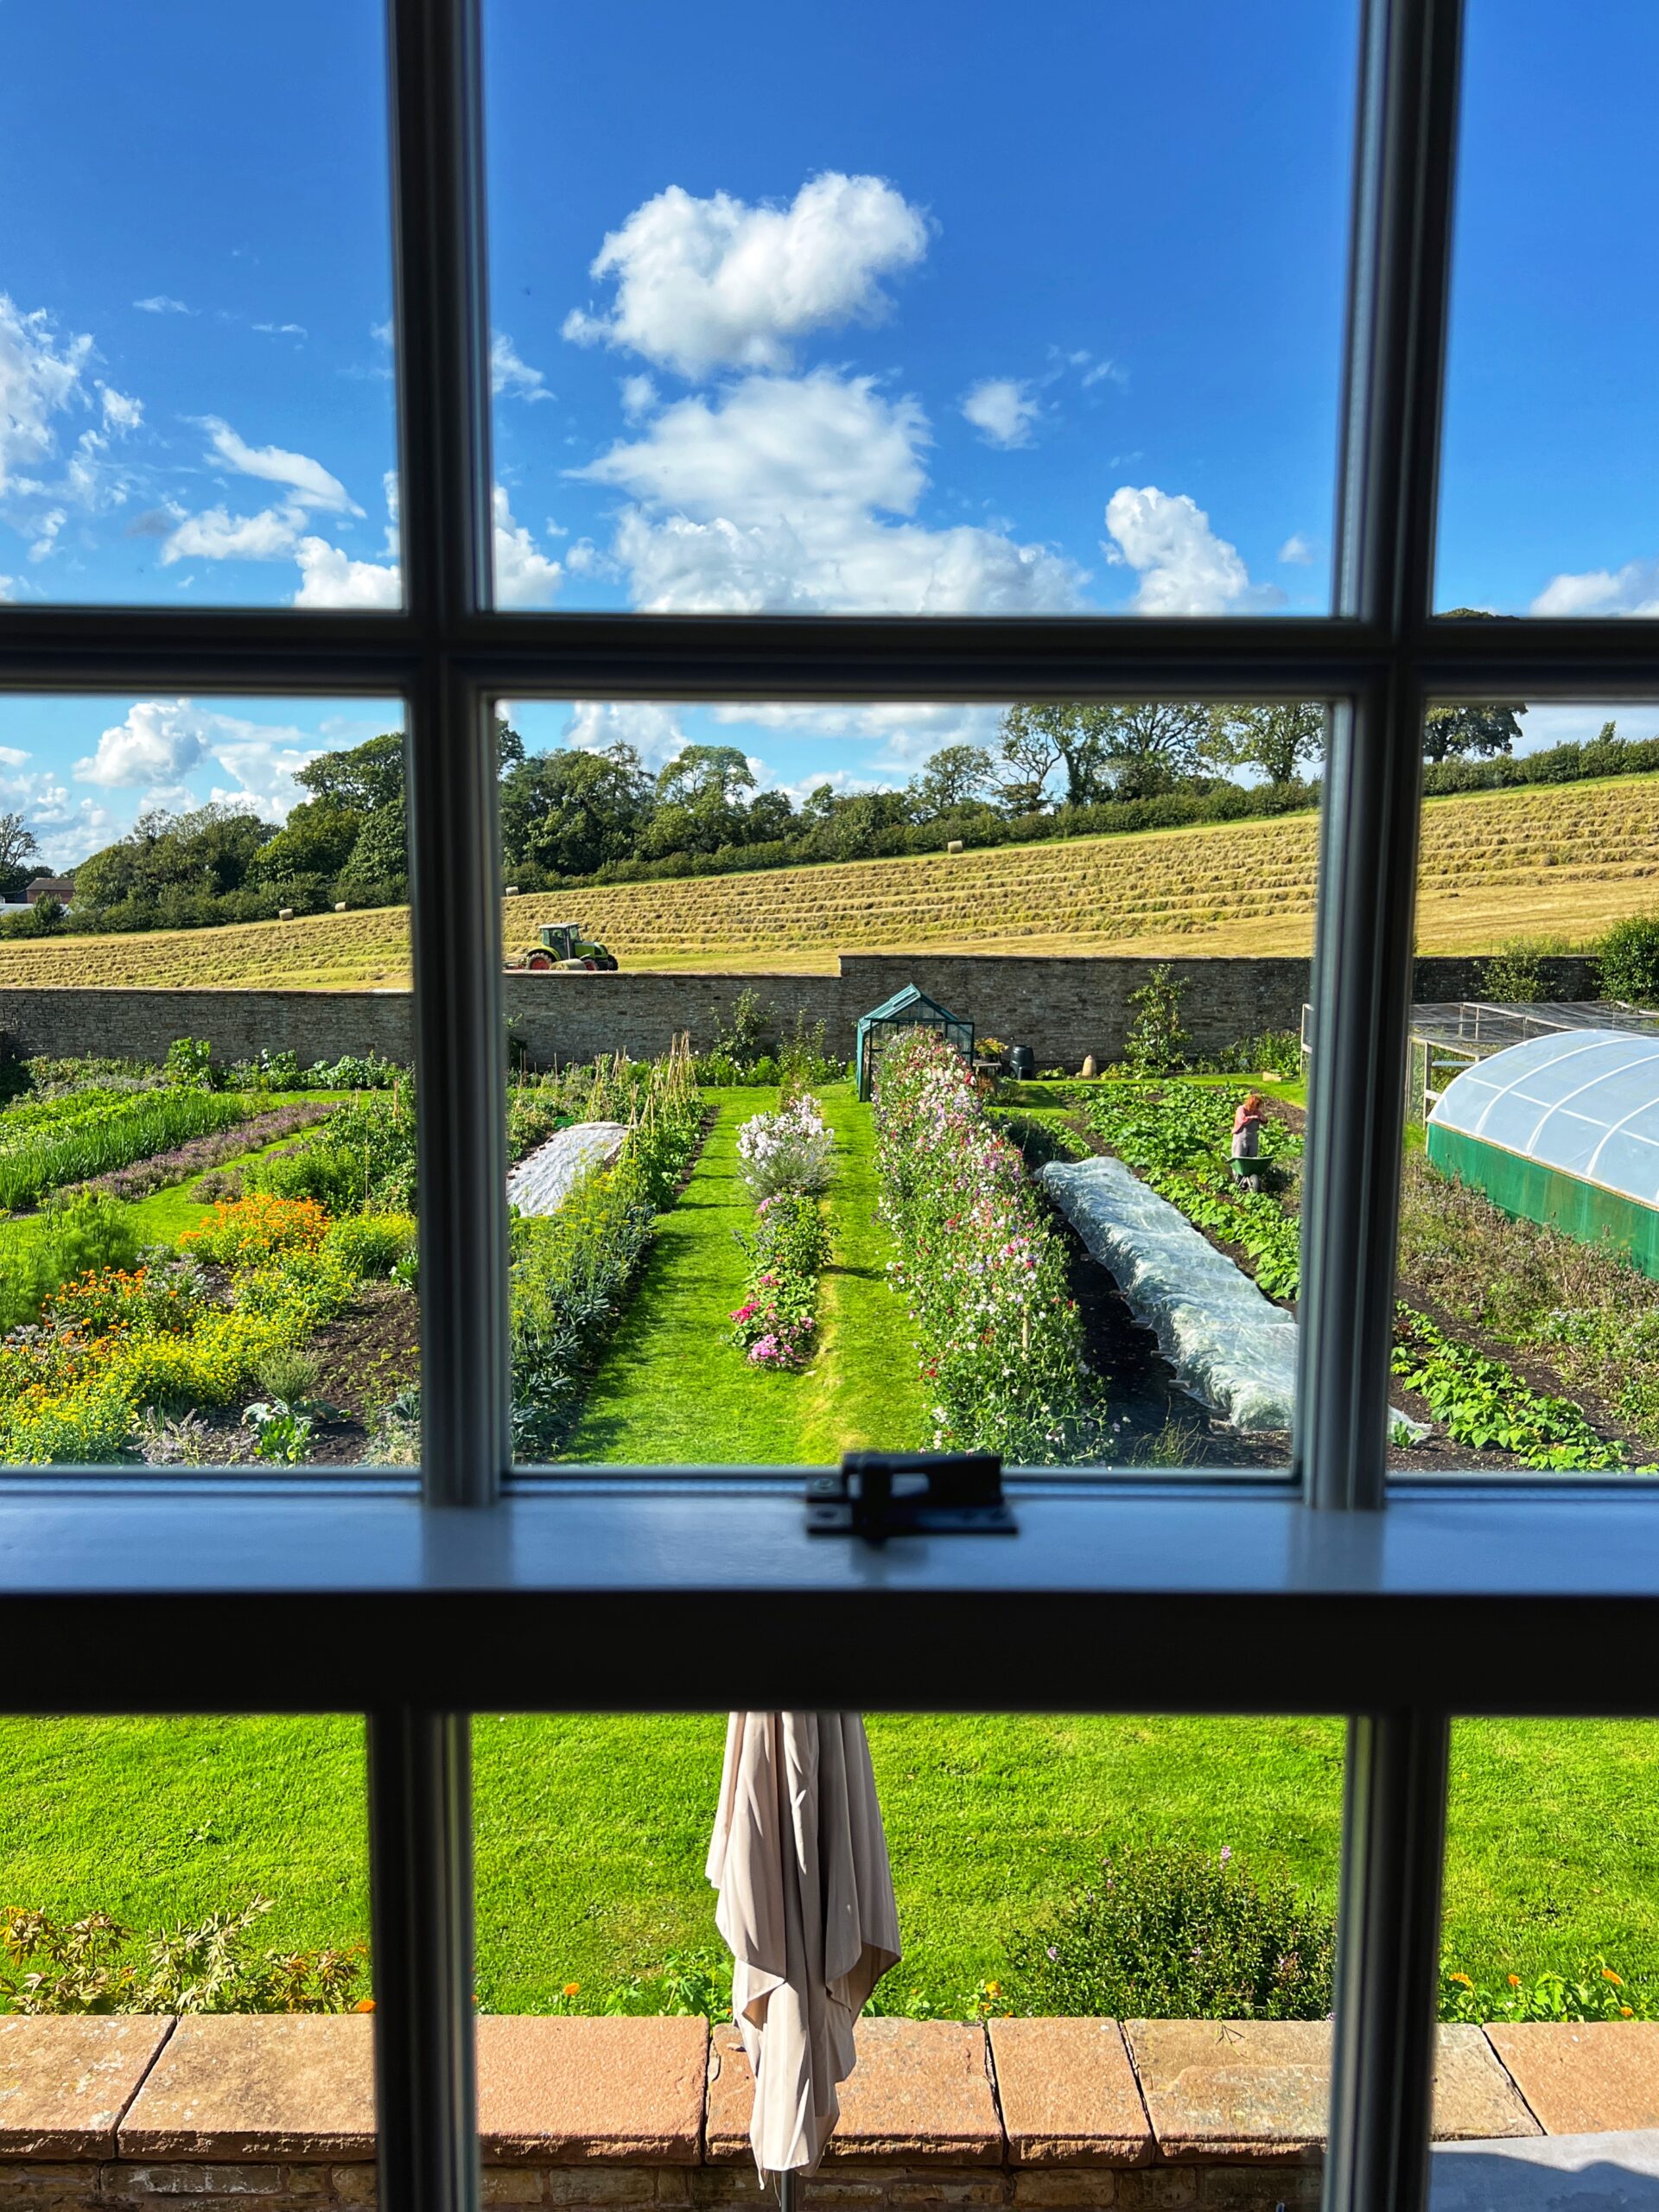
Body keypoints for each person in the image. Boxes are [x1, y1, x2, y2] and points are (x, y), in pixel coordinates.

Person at [1231, 1090, 1269, 1191]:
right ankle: (1237, 1180)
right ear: (1251, 1104)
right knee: (1239, 1158)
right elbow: (1242, 1120)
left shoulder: (1256, 1111)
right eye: (1256, 1106)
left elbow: (1265, 1121)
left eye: (1258, 1107)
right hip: (1241, 1137)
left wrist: (1262, 1118)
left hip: (1252, 1138)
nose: (1257, 1109)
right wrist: (1253, 1117)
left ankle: (1248, 1181)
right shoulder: (1241, 1109)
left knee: (1252, 1159)